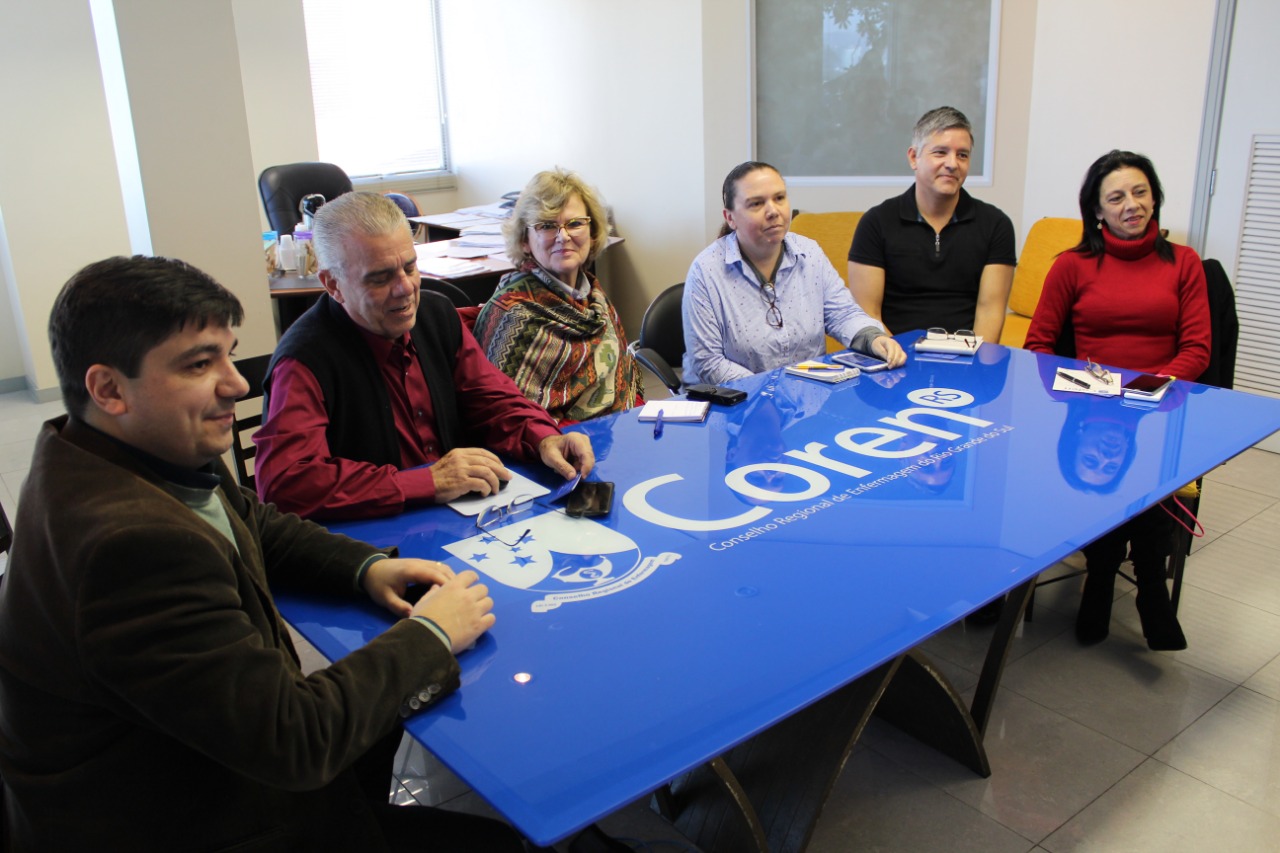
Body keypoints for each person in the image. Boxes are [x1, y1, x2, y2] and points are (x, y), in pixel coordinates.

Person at [0, 256, 525, 851]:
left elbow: (257, 521)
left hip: (194, 762)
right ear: (109, 389)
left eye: (228, 353)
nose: (237, 384)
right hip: (184, 817)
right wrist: (432, 633)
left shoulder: (116, 447)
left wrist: (366, 566)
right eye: (200, 364)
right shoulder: (129, 548)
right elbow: (295, 741)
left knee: (382, 722)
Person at [253, 192, 594, 520]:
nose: (405, 288)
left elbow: (495, 401)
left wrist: (544, 437)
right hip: (375, 541)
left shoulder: (437, 316)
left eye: (409, 267)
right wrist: (428, 482)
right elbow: (285, 483)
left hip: (462, 516)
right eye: (380, 277)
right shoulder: (305, 359)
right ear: (333, 284)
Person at [1026, 149, 1211, 651]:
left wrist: (1148, 391)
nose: (1132, 204)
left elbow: (1197, 348)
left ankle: (1127, 579)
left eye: (1140, 192)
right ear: (1097, 210)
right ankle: (1125, 580)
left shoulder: (1185, 263)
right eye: (1117, 197)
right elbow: (1038, 348)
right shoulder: (1072, 265)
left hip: (1161, 404)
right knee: (1104, 460)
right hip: (1090, 406)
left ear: (1155, 197)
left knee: (1144, 460)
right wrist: (1085, 388)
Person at [683, 161, 906, 386]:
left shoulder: (810, 253)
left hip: (805, 397)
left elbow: (843, 314)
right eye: (756, 204)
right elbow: (708, 362)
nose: (773, 211)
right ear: (730, 218)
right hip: (736, 404)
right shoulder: (706, 271)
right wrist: (769, 391)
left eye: (779, 198)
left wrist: (871, 337)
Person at [473, 169, 643, 423]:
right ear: (525, 241)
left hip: (621, 434)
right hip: (555, 450)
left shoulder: (596, 300)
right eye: (547, 226)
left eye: (575, 224)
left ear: (593, 232)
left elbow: (626, 388)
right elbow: (510, 421)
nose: (563, 236)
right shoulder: (512, 315)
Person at [848, 106, 1016, 343]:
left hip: (967, 360)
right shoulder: (876, 223)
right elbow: (869, 314)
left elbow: (990, 312)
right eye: (940, 152)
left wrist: (974, 367)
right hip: (894, 360)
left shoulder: (996, 225)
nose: (952, 164)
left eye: (962, 155)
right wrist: (901, 362)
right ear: (914, 157)